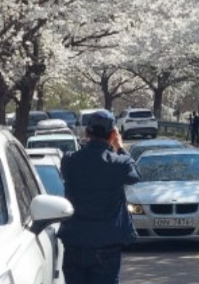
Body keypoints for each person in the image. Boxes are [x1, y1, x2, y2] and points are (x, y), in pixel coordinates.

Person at [57, 109, 140, 284]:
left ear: (87, 133)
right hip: (107, 244)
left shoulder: (69, 161)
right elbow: (134, 176)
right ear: (112, 135)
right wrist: (120, 148)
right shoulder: (119, 163)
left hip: (76, 242)